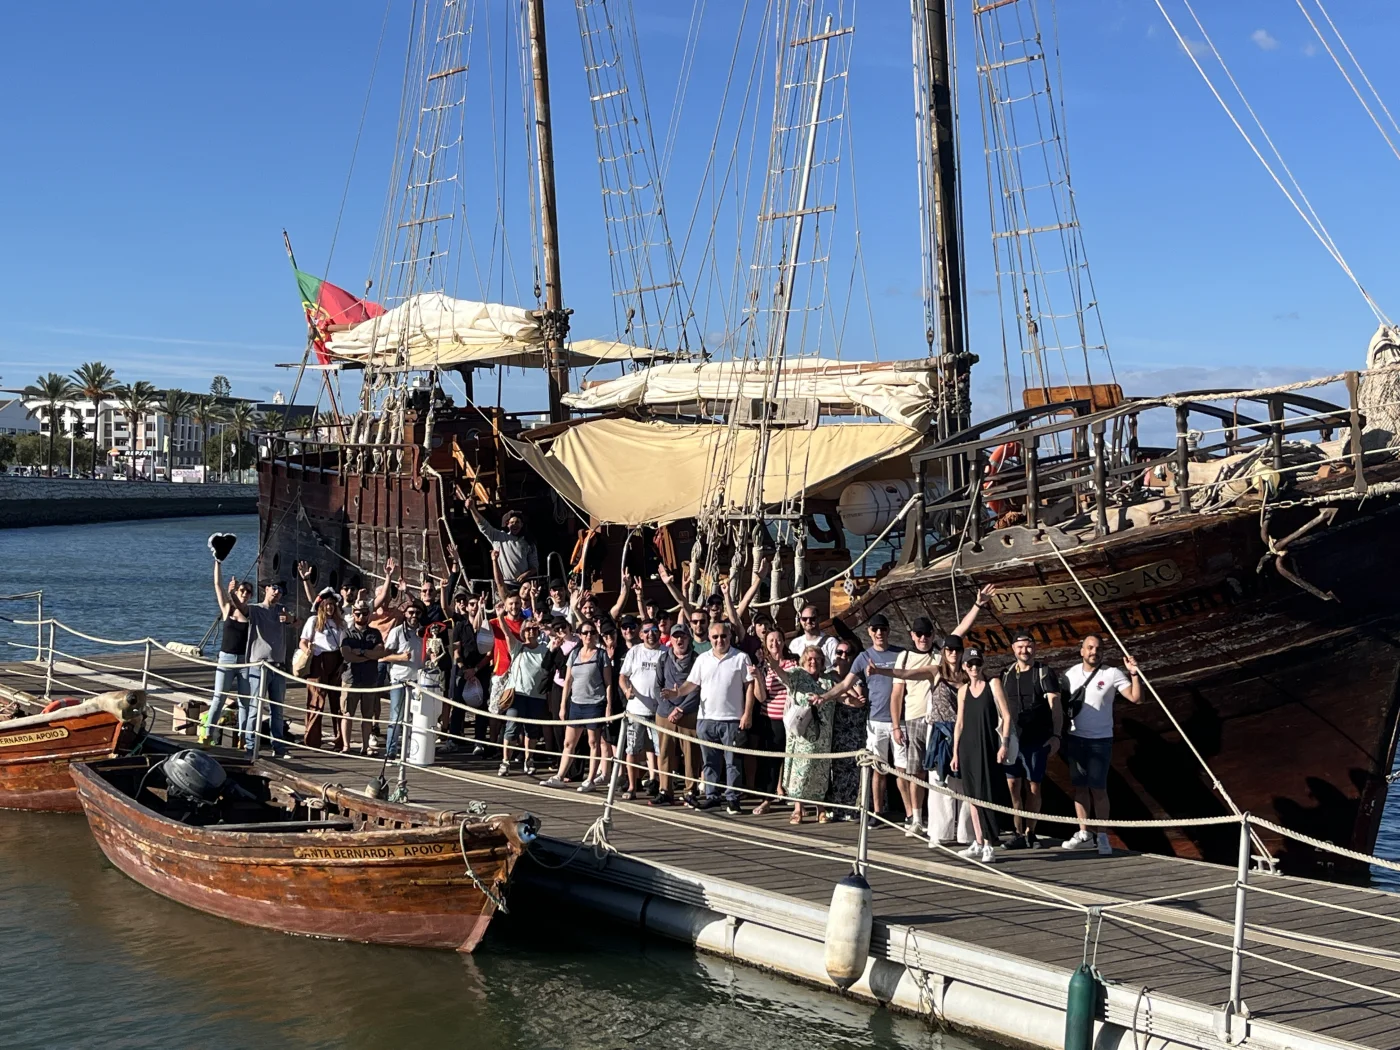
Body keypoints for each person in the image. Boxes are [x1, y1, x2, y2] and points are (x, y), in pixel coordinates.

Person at [873, 588, 995, 836]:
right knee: (917, 772)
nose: (923, 638)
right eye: (919, 634)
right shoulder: (910, 659)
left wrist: (978, 605)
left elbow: (958, 633)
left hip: (941, 723)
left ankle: (958, 829)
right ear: (912, 635)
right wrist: (897, 724)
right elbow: (900, 686)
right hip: (916, 720)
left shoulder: (940, 658)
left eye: (927, 634)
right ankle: (918, 818)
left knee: (950, 776)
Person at [1060, 634, 1142, 855]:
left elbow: (1135, 698)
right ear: (1082, 651)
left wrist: (1134, 673)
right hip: (1076, 738)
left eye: (1097, 648)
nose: (1093, 652)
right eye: (1089, 648)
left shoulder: (1112, 673)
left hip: (1100, 740)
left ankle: (1103, 835)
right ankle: (1084, 832)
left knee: (1099, 788)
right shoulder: (1070, 674)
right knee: (1080, 787)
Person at [666, 621, 757, 814]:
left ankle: (733, 799)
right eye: (715, 637)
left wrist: (747, 713)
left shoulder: (741, 657)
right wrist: (677, 693)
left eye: (723, 636)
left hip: (732, 719)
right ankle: (712, 797)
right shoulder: (702, 659)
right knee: (709, 762)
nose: (719, 640)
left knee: (733, 762)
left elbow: (750, 686)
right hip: (706, 719)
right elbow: (691, 684)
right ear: (709, 638)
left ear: (730, 637)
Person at [821, 614, 900, 825]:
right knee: (877, 768)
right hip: (875, 719)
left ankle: (912, 815)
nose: (879, 633)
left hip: (900, 719)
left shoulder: (901, 654)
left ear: (888, 630)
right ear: (870, 632)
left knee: (903, 771)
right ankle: (876, 812)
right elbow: (845, 685)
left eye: (883, 628)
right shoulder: (863, 657)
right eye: (875, 629)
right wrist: (825, 696)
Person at [758, 642, 836, 825]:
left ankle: (820, 808)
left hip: (823, 735)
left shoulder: (829, 680)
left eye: (817, 659)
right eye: (809, 659)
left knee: (821, 771)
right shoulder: (797, 675)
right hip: (801, 735)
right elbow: (781, 674)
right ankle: (798, 809)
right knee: (801, 772)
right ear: (802, 661)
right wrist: (772, 662)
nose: (813, 662)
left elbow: (841, 695)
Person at [951, 647, 1014, 863]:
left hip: (987, 747)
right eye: (970, 664)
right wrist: (955, 752)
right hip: (967, 748)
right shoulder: (962, 691)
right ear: (964, 667)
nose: (974, 668)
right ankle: (978, 841)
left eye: (977, 663)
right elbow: (959, 723)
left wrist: (1004, 744)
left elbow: (1006, 716)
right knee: (972, 797)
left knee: (986, 794)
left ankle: (989, 842)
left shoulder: (993, 685)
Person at [1000, 631, 1063, 849]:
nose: (1024, 651)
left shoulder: (1044, 673)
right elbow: (1000, 707)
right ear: (1013, 648)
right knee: (1013, 786)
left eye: (1028, 646)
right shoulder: (1006, 674)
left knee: (1034, 787)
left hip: (1036, 739)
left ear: (1034, 648)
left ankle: (1031, 832)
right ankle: (1018, 832)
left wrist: (1057, 735)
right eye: (1020, 647)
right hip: (1013, 738)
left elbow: (1056, 706)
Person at [542, 621, 613, 792]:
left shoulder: (601, 655)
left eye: (592, 633)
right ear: (580, 635)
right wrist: (562, 706)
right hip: (576, 703)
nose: (589, 636)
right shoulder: (574, 654)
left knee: (593, 742)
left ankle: (590, 780)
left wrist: (608, 706)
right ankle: (559, 776)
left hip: (595, 704)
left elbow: (608, 682)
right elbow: (568, 681)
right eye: (585, 632)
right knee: (569, 742)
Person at [229, 577, 290, 756]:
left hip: (278, 666)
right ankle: (250, 745)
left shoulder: (282, 610)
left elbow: (296, 622)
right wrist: (232, 593)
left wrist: (291, 618)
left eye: (280, 590)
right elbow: (241, 608)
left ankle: (278, 747)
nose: (277, 592)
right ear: (266, 590)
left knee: (277, 709)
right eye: (274, 588)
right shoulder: (255, 610)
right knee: (255, 707)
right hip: (259, 667)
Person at [498, 618, 562, 777]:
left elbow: (558, 639)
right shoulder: (518, 647)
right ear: (523, 632)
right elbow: (506, 633)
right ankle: (506, 761)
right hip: (517, 695)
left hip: (537, 696)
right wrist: (500, 616)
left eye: (534, 629)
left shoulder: (545, 648)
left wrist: (546, 627)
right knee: (511, 730)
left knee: (532, 732)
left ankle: (529, 760)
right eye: (527, 629)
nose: (531, 632)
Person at [202, 557, 252, 744]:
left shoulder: (250, 612)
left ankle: (242, 737)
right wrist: (218, 562)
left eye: (248, 592)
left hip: (245, 661)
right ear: (237, 591)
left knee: (244, 701)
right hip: (227, 658)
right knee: (219, 698)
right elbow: (217, 584)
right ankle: (208, 734)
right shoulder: (228, 609)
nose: (245, 594)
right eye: (242, 591)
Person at [651, 622, 700, 807]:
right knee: (664, 753)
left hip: (688, 714)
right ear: (670, 639)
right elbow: (657, 686)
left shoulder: (697, 660)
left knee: (691, 755)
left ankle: (690, 791)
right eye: (676, 636)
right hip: (665, 714)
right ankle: (665, 790)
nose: (680, 640)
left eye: (683, 636)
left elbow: (697, 688)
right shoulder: (663, 659)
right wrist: (669, 707)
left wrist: (681, 709)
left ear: (689, 638)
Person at [618, 618, 667, 799]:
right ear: (640, 634)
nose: (650, 634)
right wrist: (626, 690)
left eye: (654, 630)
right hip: (636, 710)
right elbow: (623, 676)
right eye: (646, 631)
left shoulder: (666, 652)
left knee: (661, 750)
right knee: (632, 749)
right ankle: (632, 786)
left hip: (659, 711)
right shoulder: (634, 652)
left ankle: (663, 788)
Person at [824, 642, 869, 819]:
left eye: (848, 653)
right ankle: (838, 807)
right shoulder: (829, 676)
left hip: (855, 728)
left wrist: (843, 683)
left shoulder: (859, 676)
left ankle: (855, 808)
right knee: (838, 768)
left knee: (855, 768)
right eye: (839, 652)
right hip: (837, 727)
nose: (843, 656)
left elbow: (858, 697)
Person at [298, 588, 347, 750]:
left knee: (338, 701)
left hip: (337, 660)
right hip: (318, 661)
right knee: (316, 700)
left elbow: (344, 644)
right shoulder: (313, 621)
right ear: (321, 606)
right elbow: (303, 641)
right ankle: (312, 740)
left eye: (332, 605)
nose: (330, 608)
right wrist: (308, 651)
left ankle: (340, 740)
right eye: (327, 604)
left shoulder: (341, 623)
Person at [751, 626, 792, 817]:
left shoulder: (792, 664)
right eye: (770, 641)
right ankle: (767, 798)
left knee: (787, 758)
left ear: (783, 642)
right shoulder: (764, 667)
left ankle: (788, 793)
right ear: (766, 645)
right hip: (768, 718)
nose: (775, 644)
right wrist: (759, 677)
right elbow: (760, 697)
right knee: (769, 759)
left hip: (787, 719)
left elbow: (791, 685)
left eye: (778, 640)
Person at [464, 490, 539, 591]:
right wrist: (473, 508)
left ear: (522, 524)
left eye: (517, 522)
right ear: (507, 524)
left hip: (524, 585)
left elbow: (535, 567)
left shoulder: (529, 543)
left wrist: (526, 574)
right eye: (512, 522)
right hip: (505, 584)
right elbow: (482, 525)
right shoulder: (498, 537)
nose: (515, 525)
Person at [339, 599, 386, 754]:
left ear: (369, 614)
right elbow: (347, 655)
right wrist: (369, 655)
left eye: (365, 613)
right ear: (353, 614)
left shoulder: (375, 633)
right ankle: (346, 746)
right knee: (347, 713)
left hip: (369, 679)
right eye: (358, 613)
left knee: (367, 716)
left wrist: (361, 652)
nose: (361, 616)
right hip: (350, 678)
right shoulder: (346, 633)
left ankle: (365, 746)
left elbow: (380, 653)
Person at [381, 602, 426, 761]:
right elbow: (383, 655)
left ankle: (411, 750)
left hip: (418, 682)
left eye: (417, 613)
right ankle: (391, 750)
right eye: (411, 613)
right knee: (396, 716)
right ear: (405, 614)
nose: (414, 616)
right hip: (399, 680)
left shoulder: (424, 632)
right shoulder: (397, 631)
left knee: (415, 718)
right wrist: (399, 657)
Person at [450, 591, 491, 755]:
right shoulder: (460, 626)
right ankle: (453, 739)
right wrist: (463, 668)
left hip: (480, 670)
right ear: (466, 607)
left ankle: (479, 741)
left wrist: (475, 669)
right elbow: (456, 650)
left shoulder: (487, 627)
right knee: (458, 704)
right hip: (464, 669)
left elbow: (489, 654)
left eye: (477, 604)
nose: (474, 607)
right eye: (471, 604)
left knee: (481, 707)